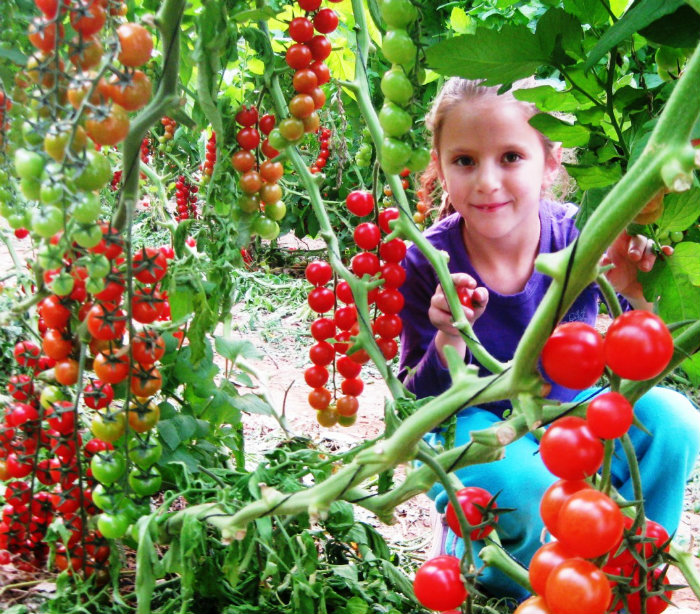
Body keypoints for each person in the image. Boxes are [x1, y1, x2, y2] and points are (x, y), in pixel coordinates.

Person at [398, 77, 700, 602]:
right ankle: (504, 568)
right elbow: (418, 396)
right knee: (513, 478)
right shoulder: (430, 259)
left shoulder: (581, 235)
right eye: (465, 160)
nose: (487, 181)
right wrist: (450, 333)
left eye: (511, 156)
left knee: (675, 422)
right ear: (439, 165)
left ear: (551, 160)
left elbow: (650, 348)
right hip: (478, 419)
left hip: (569, 406)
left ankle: (630, 560)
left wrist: (635, 286)